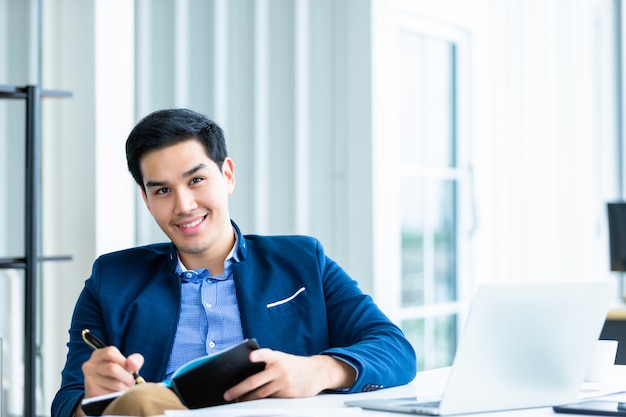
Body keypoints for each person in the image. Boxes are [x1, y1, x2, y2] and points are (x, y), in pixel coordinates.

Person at [51, 108, 417, 417]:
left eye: (196, 180)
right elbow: (67, 401)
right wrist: (92, 400)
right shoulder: (111, 278)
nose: (183, 205)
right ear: (146, 200)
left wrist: (319, 370)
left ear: (227, 175)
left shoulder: (303, 261)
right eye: (162, 190)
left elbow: (394, 349)